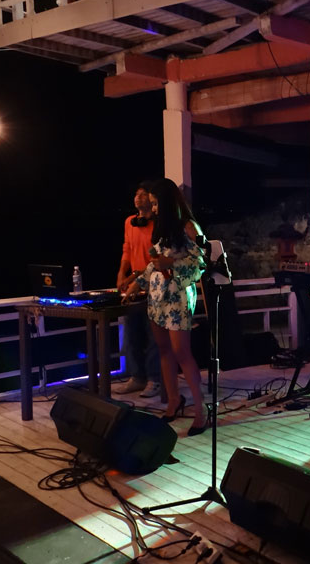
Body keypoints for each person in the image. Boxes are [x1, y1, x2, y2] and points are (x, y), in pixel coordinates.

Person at [125, 179, 207, 435]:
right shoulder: (163, 228)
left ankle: (201, 410)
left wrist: (171, 265)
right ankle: (173, 400)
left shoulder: (188, 226)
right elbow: (154, 264)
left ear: (168, 202)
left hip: (178, 295)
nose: (154, 208)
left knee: (182, 352)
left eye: (156, 203)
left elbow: (200, 264)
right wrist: (136, 284)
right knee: (163, 350)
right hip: (157, 295)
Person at [113, 182, 161, 398]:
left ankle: (154, 379)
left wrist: (134, 277)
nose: (138, 198)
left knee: (153, 336)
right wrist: (121, 273)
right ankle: (137, 377)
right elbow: (127, 249)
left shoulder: (158, 225)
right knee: (132, 333)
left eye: (143, 194)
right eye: (136, 194)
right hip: (134, 287)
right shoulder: (129, 222)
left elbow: (157, 259)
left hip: (154, 285)